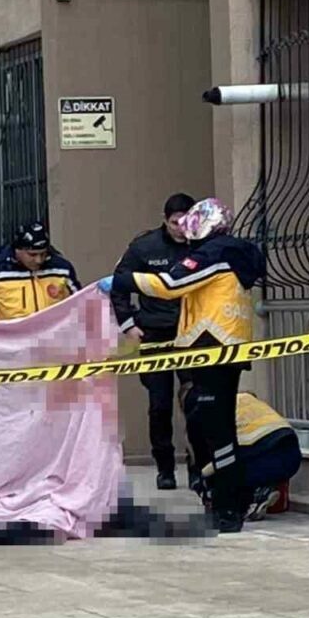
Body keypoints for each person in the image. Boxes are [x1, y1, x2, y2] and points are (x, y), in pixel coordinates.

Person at [99, 198, 265, 533]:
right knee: (212, 426)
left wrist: (123, 281)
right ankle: (227, 498)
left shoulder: (212, 255)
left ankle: (229, 507)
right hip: (222, 346)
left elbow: (170, 285)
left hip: (211, 346)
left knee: (216, 430)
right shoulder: (232, 252)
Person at [108, 193, 196, 490]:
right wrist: (129, 325)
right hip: (154, 333)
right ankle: (165, 468)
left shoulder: (203, 245)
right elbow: (119, 285)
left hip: (192, 333)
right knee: (159, 404)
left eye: (187, 222)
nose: (181, 229)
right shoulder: (145, 247)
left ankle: (198, 467)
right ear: (165, 220)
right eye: (175, 223)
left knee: (195, 401)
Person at [182, 386, 302, 521]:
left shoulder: (209, 413)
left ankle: (257, 496)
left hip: (266, 459)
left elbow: (220, 459)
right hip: (293, 457)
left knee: (221, 476)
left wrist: (202, 478)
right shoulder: (246, 399)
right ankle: (261, 490)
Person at [0, 221, 80, 319]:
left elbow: (81, 301)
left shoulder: (61, 269)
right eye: (32, 255)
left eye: (43, 254)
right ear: (17, 250)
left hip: (52, 342)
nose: (38, 260)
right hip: (13, 342)